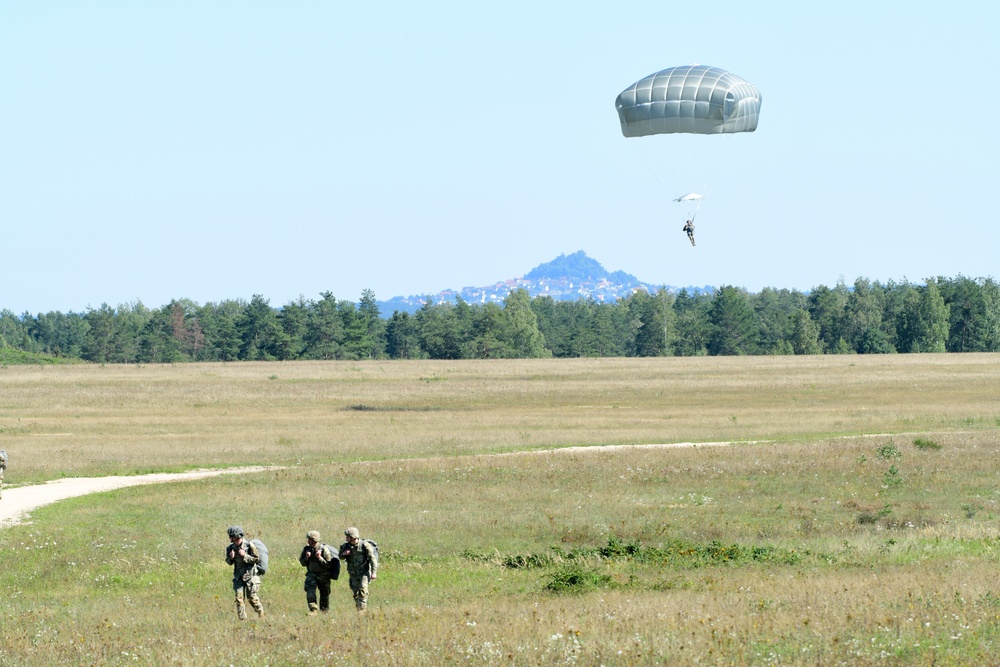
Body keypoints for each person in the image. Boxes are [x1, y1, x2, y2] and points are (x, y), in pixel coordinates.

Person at [225, 525, 264, 620]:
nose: (230, 538)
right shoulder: (230, 548)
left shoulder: (249, 545)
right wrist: (231, 557)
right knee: (239, 599)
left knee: (252, 598)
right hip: (239, 577)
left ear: (237, 536)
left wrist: (244, 555)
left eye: (232, 536)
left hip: (250, 576)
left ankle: (261, 614)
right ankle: (242, 619)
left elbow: (256, 558)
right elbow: (229, 562)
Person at [338, 526, 378, 612]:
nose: (346, 538)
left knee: (363, 591)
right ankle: (359, 608)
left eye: (347, 536)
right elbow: (340, 557)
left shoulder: (364, 545)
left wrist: (374, 573)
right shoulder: (345, 546)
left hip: (364, 572)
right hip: (353, 573)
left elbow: (372, 559)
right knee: (356, 593)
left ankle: (362, 611)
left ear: (352, 537)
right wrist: (344, 554)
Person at [299, 530, 336, 615]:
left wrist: (320, 558)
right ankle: (313, 610)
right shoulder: (306, 549)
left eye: (310, 539)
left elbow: (328, 565)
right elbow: (302, 563)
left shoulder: (323, 549)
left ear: (315, 540)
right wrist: (307, 558)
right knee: (310, 592)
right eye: (308, 539)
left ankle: (324, 612)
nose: (308, 541)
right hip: (311, 575)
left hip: (323, 575)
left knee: (324, 594)